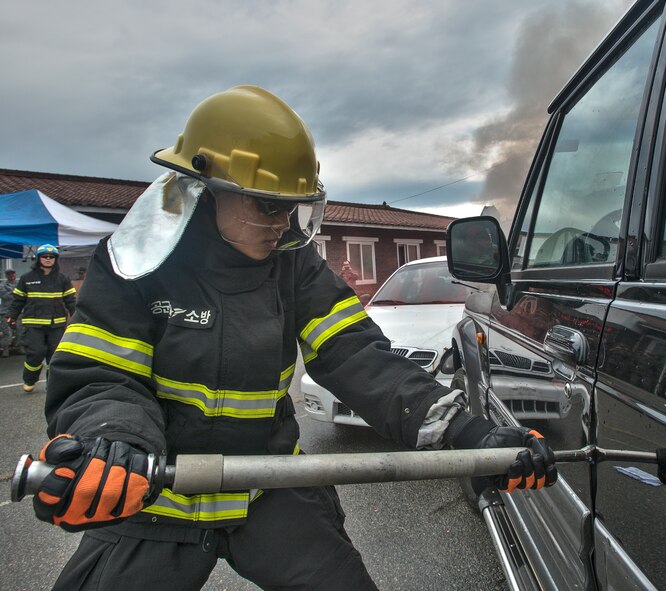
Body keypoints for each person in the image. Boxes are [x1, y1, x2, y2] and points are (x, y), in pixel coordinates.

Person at [34, 86, 557, 590]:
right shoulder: (136, 265)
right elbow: (100, 376)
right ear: (208, 188)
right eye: (267, 205)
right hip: (156, 495)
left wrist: (467, 434)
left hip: (267, 486)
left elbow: (357, 357)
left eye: (293, 207)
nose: (282, 222)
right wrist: (114, 445)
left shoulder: (292, 264)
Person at [9, 245, 76, 392]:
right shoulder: (27, 278)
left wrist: (78, 318)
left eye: (51, 257)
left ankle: (52, 385)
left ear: (55, 259)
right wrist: (12, 317)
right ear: (38, 258)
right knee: (36, 353)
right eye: (44, 256)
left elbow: (70, 301)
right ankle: (30, 379)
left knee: (55, 356)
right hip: (34, 325)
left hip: (56, 325)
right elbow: (18, 301)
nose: (47, 259)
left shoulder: (63, 279)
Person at [0, 268, 20, 356]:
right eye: (9, 274)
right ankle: (5, 349)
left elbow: (22, 295)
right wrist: (15, 292)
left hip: (19, 311)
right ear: (6, 276)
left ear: (15, 275)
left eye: (12, 274)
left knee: (21, 330)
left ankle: (20, 347)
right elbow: (4, 296)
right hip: (5, 312)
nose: (11, 276)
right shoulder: (2, 285)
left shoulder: (20, 284)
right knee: (6, 332)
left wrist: (11, 292)